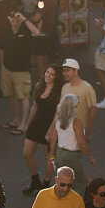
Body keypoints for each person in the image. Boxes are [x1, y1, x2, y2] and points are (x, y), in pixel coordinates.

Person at [20, 65, 62, 193]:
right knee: (27, 153)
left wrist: (51, 129)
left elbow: (57, 112)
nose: (47, 75)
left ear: (56, 77)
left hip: (49, 126)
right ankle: (35, 181)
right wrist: (28, 124)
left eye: (51, 74)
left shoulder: (58, 91)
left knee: (49, 157)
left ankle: (45, 184)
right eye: (47, 72)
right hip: (36, 125)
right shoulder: (39, 86)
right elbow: (34, 107)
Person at [0, 11, 39, 133]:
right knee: (10, 95)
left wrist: (25, 19)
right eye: (12, 20)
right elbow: (1, 49)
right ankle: (15, 120)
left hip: (22, 70)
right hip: (7, 69)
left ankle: (24, 124)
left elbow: (37, 32)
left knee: (23, 96)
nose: (14, 23)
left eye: (17, 21)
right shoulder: (5, 32)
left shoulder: (26, 31)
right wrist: (2, 66)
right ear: (9, 20)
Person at [47, 94, 94, 193]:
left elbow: (53, 139)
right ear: (75, 107)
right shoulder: (76, 122)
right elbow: (81, 143)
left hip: (59, 154)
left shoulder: (58, 120)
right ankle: (76, 206)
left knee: (61, 184)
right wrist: (90, 157)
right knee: (79, 184)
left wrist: (52, 155)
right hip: (72, 156)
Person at [59, 59, 96, 141]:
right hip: (65, 130)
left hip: (79, 131)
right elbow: (60, 109)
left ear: (76, 71)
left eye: (67, 70)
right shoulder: (64, 87)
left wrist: (88, 133)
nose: (64, 73)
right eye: (63, 71)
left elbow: (92, 110)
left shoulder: (87, 88)